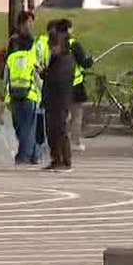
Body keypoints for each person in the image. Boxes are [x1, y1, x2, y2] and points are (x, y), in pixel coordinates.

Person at [42, 26, 80, 172]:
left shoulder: (66, 59)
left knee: (59, 131)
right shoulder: (56, 59)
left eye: (53, 46)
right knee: (52, 131)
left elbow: (59, 78)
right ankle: (56, 158)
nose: (51, 49)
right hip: (52, 100)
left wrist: (47, 75)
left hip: (60, 101)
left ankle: (64, 160)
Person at [4, 24, 41, 166]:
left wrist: (6, 95)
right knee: (28, 127)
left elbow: (5, 79)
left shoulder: (11, 58)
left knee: (19, 127)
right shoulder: (32, 59)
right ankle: (30, 154)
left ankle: (26, 155)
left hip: (14, 96)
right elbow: (38, 79)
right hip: (29, 97)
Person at [59, 19, 93, 152]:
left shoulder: (55, 45)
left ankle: (61, 141)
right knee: (76, 116)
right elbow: (84, 62)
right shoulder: (74, 45)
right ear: (69, 29)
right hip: (76, 86)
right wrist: (90, 61)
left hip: (61, 86)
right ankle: (75, 142)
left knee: (62, 116)